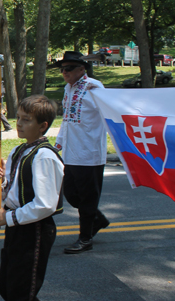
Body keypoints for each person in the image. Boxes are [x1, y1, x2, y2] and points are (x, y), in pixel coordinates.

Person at [0, 95, 64, 301]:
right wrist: (0, 181)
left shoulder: (45, 156)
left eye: (27, 120)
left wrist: (9, 218)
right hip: (17, 225)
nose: (19, 123)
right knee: (6, 286)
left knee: (21, 291)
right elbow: (13, 192)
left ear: (43, 126)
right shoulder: (18, 151)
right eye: (19, 118)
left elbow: (45, 205)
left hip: (35, 229)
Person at [54, 51, 110, 254]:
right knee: (71, 194)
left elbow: (109, 116)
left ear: (81, 69)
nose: (64, 72)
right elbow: (67, 121)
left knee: (87, 198)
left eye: (69, 68)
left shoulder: (94, 88)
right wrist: (58, 145)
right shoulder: (68, 89)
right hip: (71, 152)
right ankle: (98, 219)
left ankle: (85, 238)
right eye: (62, 69)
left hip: (89, 153)